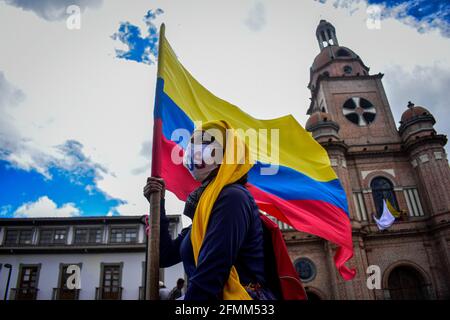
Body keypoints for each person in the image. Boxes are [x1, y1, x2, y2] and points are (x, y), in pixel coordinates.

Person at [143, 120, 276, 300]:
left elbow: (212, 271)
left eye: (206, 142)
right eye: (194, 143)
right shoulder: (201, 217)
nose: (196, 149)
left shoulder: (233, 198)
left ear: (228, 152)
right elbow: (165, 256)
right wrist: (158, 205)